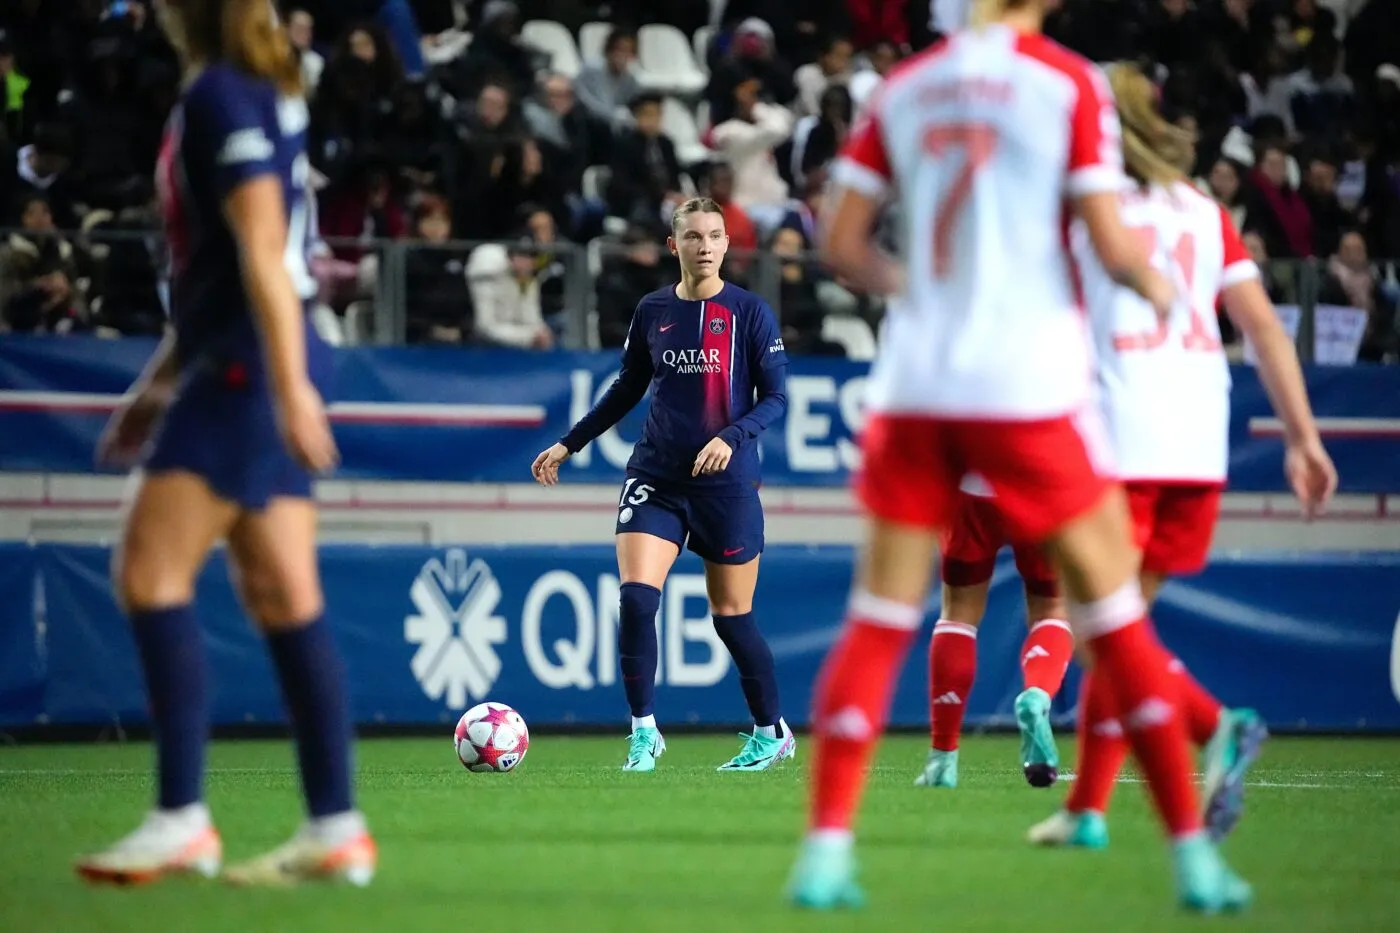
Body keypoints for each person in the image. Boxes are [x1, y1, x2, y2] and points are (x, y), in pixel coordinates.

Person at [788, 0, 1300, 913]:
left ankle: (825, 854)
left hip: (917, 385)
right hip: (1028, 390)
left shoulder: (902, 87)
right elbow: (1110, 243)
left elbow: (840, 244)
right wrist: (1154, 287)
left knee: (877, 619)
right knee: (1111, 620)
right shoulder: (1069, 83)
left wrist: (926, 290)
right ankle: (1194, 860)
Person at [73, 0, 375, 888]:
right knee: (286, 595)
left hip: (248, 364)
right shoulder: (253, 87)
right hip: (243, 354)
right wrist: (157, 384)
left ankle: (180, 818)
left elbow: (260, 249)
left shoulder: (220, 94)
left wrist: (288, 390)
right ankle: (336, 826)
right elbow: (229, 264)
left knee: (146, 573)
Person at [1028, 62, 1337, 851]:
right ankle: (1088, 809)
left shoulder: (1084, 210)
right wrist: (1302, 435)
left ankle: (1216, 723)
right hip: (1197, 439)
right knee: (1117, 625)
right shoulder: (1203, 209)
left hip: (1122, 435)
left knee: (1103, 632)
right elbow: (1262, 325)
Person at [531, 197, 794, 774]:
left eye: (715, 236)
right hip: (656, 477)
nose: (705, 246)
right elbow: (627, 388)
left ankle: (769, 732)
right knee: (636, 598)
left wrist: (732, 435)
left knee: (730, 616)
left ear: (727, 245)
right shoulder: (652, 310)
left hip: (726, 485)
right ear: (674, 247)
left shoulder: (749, 313)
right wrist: (568, 443)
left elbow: (776, 397)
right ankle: (644, 732)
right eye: (694, 236)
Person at [916, 478, 1072, 790]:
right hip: (1037, 480)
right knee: (1052, 608)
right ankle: (1038, 694)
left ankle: (942, 759)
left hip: (970, 484)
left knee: (958, 612)